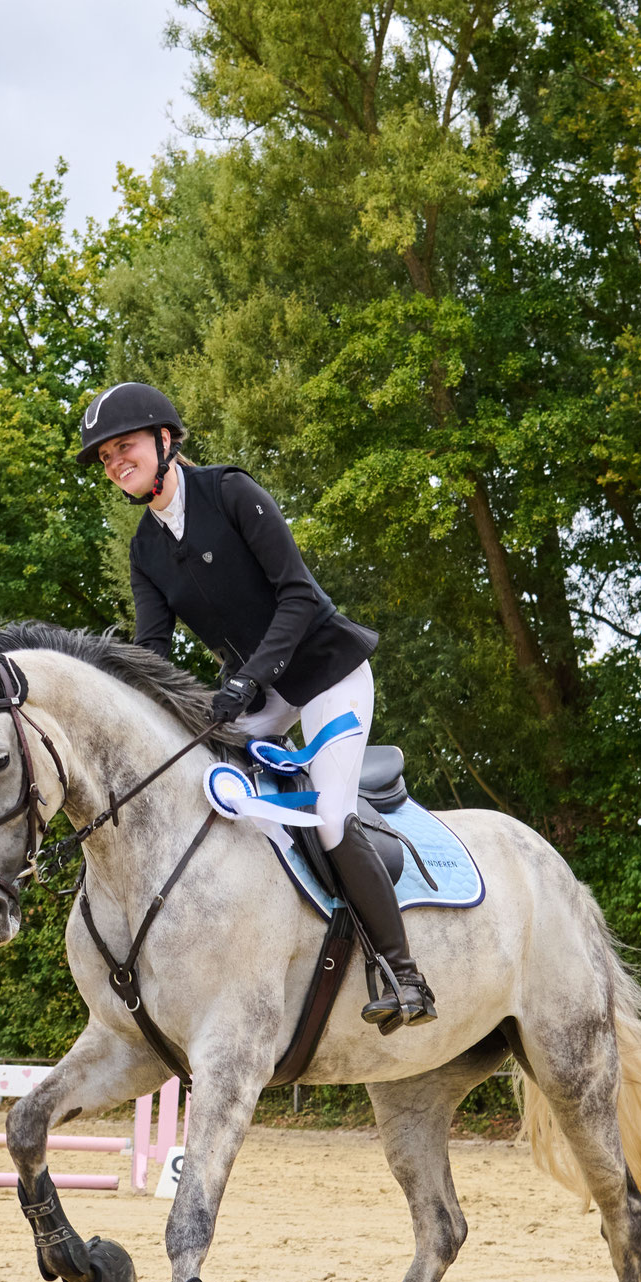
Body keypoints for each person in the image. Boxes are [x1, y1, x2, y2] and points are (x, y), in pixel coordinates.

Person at [77, 380, 436, 1028]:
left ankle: (403, 974)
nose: (113, 463)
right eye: (104, 458)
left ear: (164, 440)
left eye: (122, 447)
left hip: (327, 672)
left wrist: (248, 679)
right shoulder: (145, 548)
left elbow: (299, 596)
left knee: (328, 815)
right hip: (259, 691)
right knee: (208, 793)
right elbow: (151, 650)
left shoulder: (229, 491)